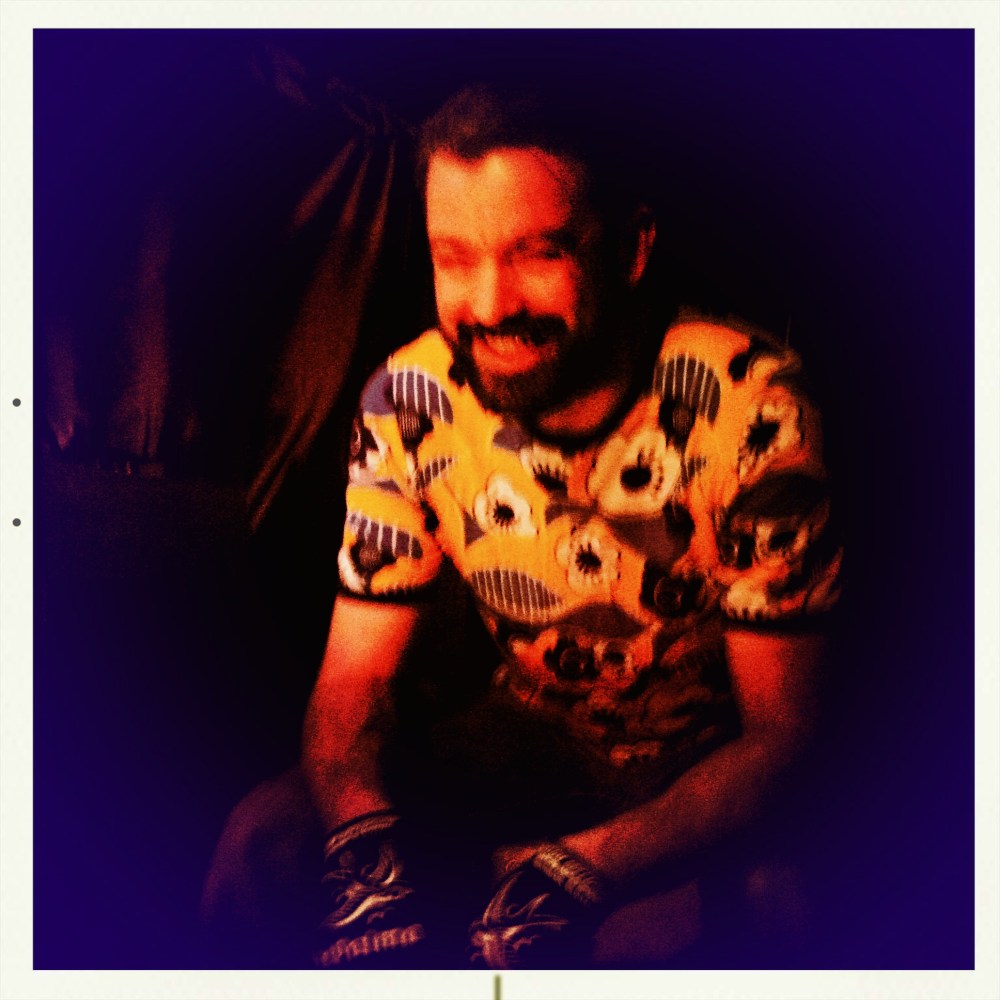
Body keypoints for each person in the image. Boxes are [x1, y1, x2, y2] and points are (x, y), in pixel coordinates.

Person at [201, 84, 842, 970]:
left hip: (703, 765)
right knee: (263, 841)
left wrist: (583, 868)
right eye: (455, 258)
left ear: (632, 247)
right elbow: (354, 677)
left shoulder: (751, 405)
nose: (491, 303)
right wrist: (365, 847)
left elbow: (785, 737)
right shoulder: (410, 398)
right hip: (531, 735)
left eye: (538, 254)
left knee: (769, 906)